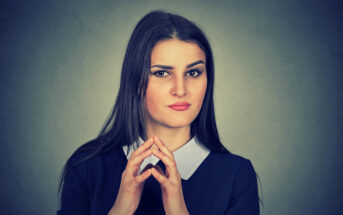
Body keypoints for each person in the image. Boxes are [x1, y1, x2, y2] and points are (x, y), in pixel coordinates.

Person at [57, 10, 260, 215]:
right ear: (136, 80)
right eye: (162, 73)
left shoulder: (237, 176)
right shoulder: (86, 167)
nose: (180, 90)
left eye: (193, 72)